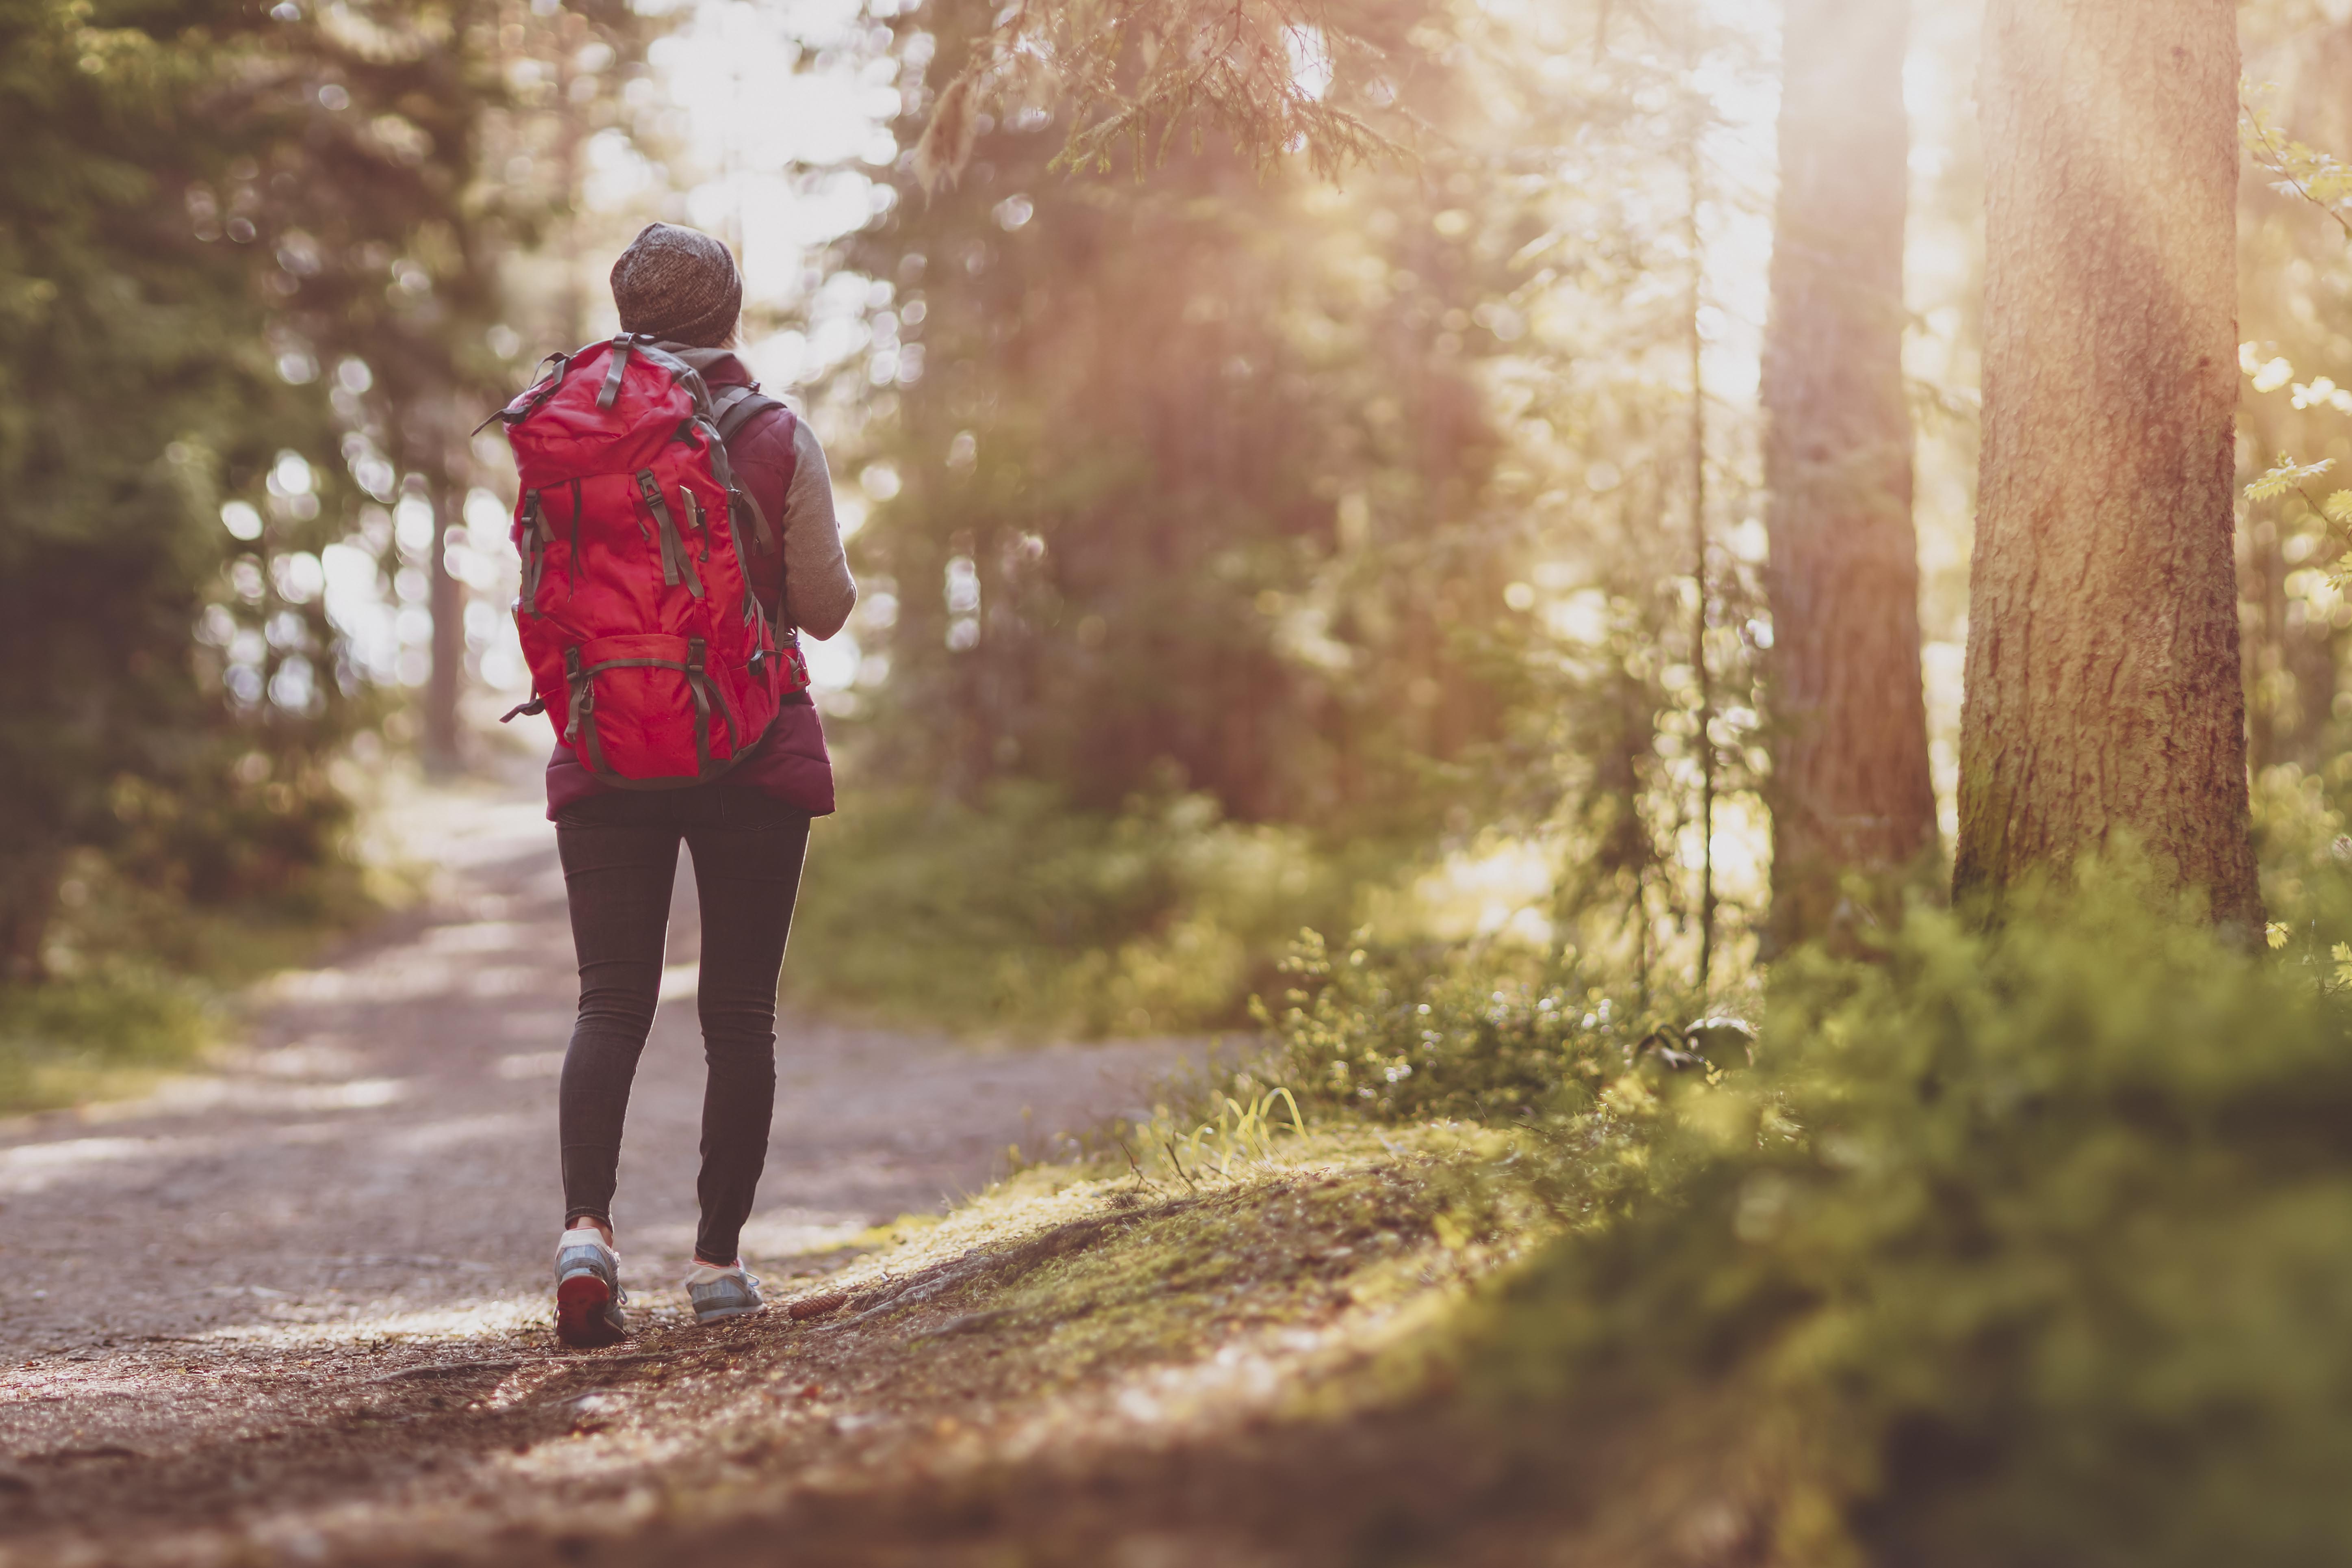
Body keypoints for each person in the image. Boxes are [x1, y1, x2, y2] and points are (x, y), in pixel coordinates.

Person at [547, 223, 855, 1346]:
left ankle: (586, 1234)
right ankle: (719, 1264)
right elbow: (821, 605)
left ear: (627, 314)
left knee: (608, 1002)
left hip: (605, 742)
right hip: (749, 744)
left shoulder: (572, 427)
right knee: (738, 1015)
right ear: (730, 314)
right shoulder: (774, 433)